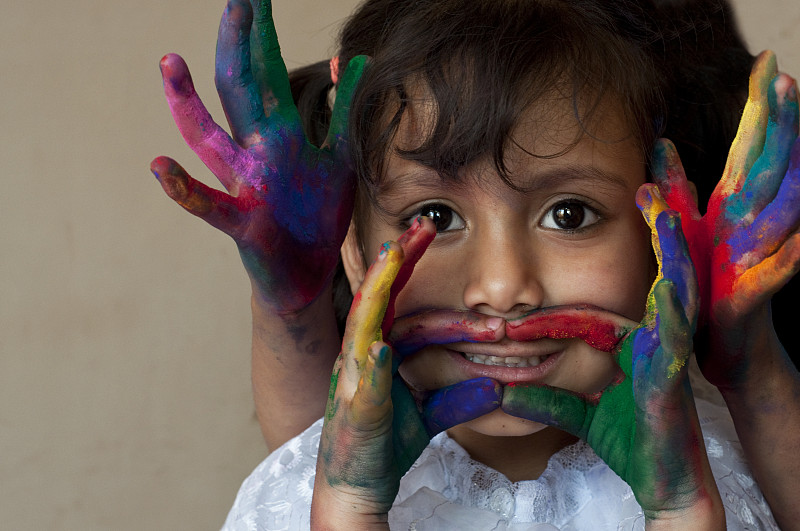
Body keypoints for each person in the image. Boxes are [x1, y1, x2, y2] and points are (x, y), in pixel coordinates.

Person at [150, 0, 800, 528]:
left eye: (569, 214)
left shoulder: (723, 463)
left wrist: (685, 504)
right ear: (352, 250)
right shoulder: (321, 480)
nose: (502, 287)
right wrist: (349, 503)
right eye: (433, 216)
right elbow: (301, 443)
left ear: (659, 234)